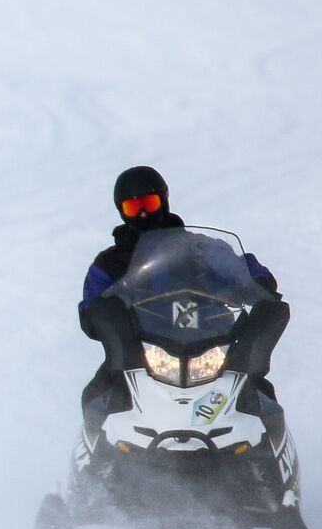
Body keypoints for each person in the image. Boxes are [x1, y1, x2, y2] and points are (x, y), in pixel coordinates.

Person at [78, 166, 279, 405]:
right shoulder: (110, 264)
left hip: (212, 345)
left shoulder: (199, 248)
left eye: (149, 204)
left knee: (259, 396)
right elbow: (91, 304)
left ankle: (268, 440)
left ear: (163, 200)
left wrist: (255, 281)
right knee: (98, 396)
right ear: (121, 211)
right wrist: (101, 314)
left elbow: (237, 266)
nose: (142, 214)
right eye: (133, 207)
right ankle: (100, 441)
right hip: (140, 352)